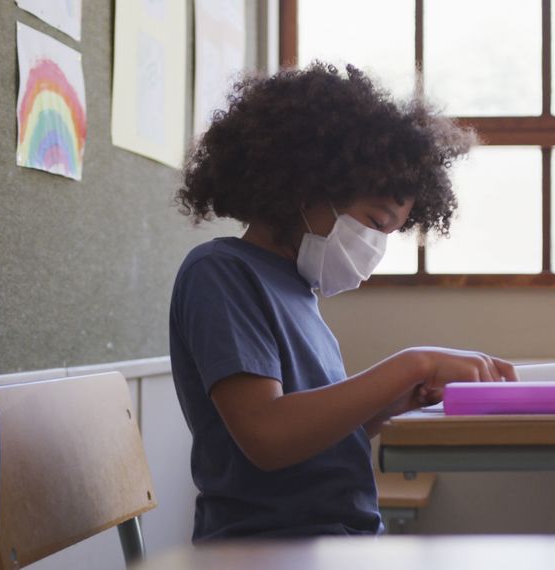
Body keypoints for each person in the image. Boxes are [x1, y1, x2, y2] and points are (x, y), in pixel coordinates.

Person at [168, 62, 516, 541]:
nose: (375, 246)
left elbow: (315, 436)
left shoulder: (296, 291)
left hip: (335, 540)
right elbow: (268, 438)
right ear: (308, 187)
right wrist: (413, 364)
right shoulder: (221, 273)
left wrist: (394, 402)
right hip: (268, 546)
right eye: (375, 223)